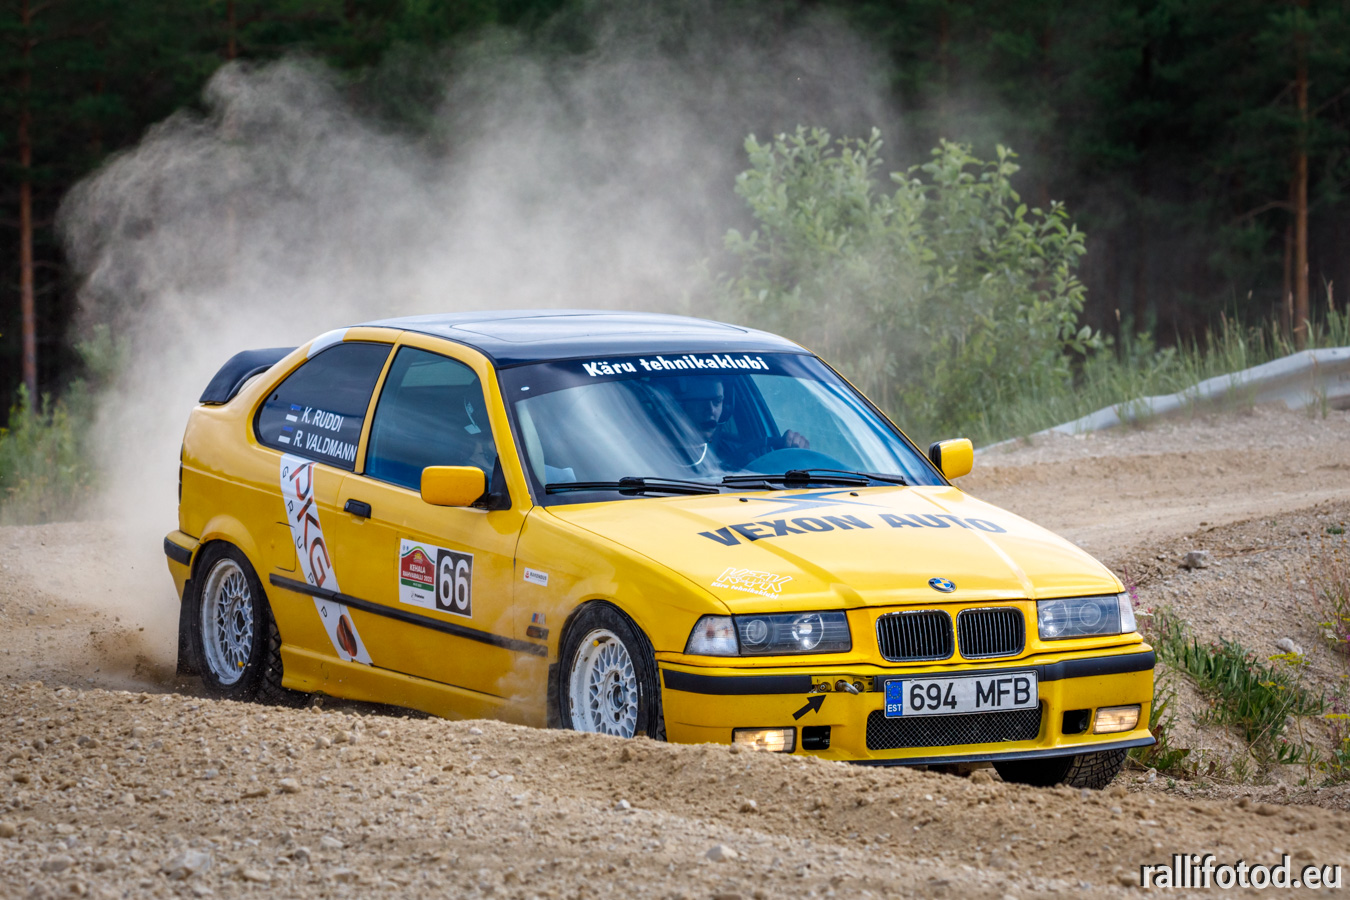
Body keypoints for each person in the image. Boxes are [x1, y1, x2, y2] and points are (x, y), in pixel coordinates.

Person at [666, 376, 808, 470]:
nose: (711, 410)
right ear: (679, 406)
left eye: (717, 401)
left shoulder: (739, 454)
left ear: (726, 407)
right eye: (700, 401)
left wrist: (794, 455)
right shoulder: (654, 451)